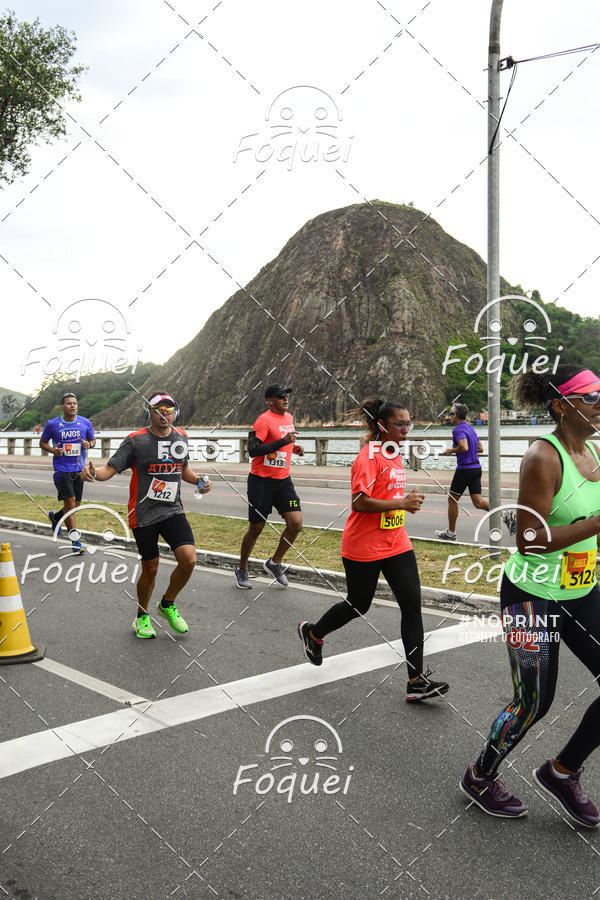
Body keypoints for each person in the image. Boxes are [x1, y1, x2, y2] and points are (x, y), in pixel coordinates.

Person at [461, 366, 600, 826]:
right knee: (534, 701)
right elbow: (530, 539)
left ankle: (562, 772)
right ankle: (480, 775)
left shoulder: (594, 452)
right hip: (532, 595)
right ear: (562, 405)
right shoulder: (544, 455)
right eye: (592, 396)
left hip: (581, 591)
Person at [297, 397, 449, 701]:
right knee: (358, 604)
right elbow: (359, 501)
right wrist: (401, 503)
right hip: (363, 544)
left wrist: (404, 504)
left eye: (409, 423)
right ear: (382, 426)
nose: (406, 428)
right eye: (400, 423)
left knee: (412, 605)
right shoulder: (369, 456)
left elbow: (387, 495)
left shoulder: (394, 454)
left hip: (396, 542)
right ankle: (314, 633)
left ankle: (415, 681)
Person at [81, 392, 211, 639]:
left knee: (189, 559)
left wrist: (200, 481)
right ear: (148, 412)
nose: (164, 413)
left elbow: (183, 470)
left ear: (176, 413)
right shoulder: (135, 441)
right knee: (150, 568)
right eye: (158, 409)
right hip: (143, 512)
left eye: (169, 409)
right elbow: (109, 469)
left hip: (172, 509)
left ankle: (167, 604)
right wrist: (93, 473)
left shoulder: (181, 436)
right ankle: (141, 616)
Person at [234, 384, 304, 589]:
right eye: (280, 396)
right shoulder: (262, 420)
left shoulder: (289, 418)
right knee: (256, 528)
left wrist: (294, 447)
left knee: (296, 524)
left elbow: (283, 445)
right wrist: (283, 441)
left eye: (287, 396)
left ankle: (274, 563)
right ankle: (242, 568)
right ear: (270, 401)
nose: (285, 399)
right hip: (261, 482)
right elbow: (254, 450)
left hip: (283, 481)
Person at [40, 392, 95, 554]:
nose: (73, 406)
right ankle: (75, 541)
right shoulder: (52, 424)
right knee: (70, 504)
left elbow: (93, 440)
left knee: (74, 506)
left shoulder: (85, 422)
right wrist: (52, 450)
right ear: (63, 406)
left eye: (75, 403)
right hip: (62, 470)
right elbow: (42, 443)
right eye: (69, 403)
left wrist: (89, 444)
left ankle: (56, 517)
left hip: (79, 469)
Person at [435, 403, 489, 541]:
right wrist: (466, 449)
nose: (450, 416)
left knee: (452, 500)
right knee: (478, 502)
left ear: (456, 415)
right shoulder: (470, 428)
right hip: (476, 468)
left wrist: (450, 451)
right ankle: (504, 514)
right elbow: (480, 448)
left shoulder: (458, 429)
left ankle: (450, 533)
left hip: (465, 469)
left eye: (451, 413)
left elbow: (464, 447)